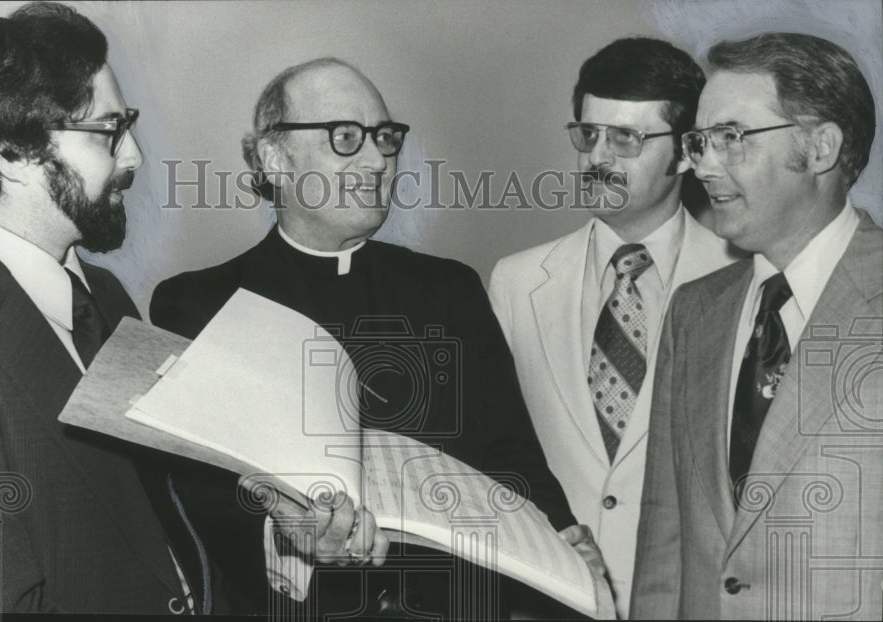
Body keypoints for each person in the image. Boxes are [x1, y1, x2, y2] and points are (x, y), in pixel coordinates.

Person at [0, 4, 374, 613]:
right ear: (10, 152)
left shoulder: (104, 297)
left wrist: (278, 515)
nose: (135, 156)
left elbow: (152, 506)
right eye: (107, 131)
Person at [151, 57, 602, 618]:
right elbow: (198, 496)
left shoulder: (451, 288)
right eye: (345, 138)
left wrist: (561, 536)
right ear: (275, 158)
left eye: (385, 138)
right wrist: (286, 533)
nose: (377, 160)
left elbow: (511, 456)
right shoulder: (200, 304)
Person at [631, 32, 882, 620]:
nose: (699, 164)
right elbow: (664, 546)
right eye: (699, 140)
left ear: (820, 147)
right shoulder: (695, 312)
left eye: (731, 138)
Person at [487, 37, 738, 617]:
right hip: (549, 597)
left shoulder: (744, 280)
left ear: (683, 154)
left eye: (627, 138)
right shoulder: (515, 282)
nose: (599, 156)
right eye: (589, 134)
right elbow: (496, 452)